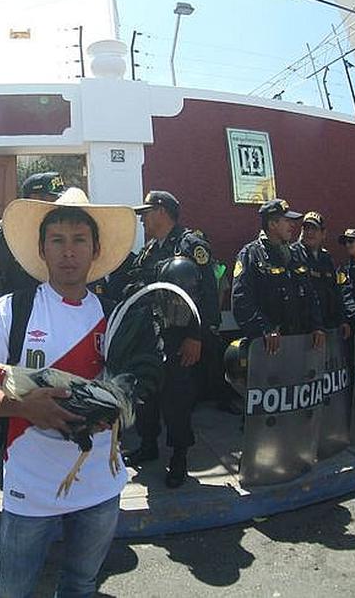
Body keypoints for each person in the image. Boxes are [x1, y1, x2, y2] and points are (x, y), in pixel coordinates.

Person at [0, 188, 136, 597]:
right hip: (30, 483)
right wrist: (23, 406)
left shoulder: (115, 316)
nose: (68, 251)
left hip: (100, 481)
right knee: (13, 589)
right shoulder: (13, 308)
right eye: (57, 240)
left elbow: (130, 391)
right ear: (42, 250)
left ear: (95, 249)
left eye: (79, 240)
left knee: (80, 585)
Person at [123, 190, 220, 488]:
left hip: (180, 338)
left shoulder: (190, 245)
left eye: (146, 214)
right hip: (149, 338)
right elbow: (137, 284)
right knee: (146, 395)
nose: (142, 220)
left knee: (177, 399)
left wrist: (195, 336)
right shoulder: (149, 250)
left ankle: (179, 456)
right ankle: (148, 445)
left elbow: (208, 295)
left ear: (162, 212)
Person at [0, 172, 65, 340]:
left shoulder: (66, 235)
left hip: (59, 330)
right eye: (52, 200)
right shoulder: (1, 234)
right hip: (13, 333)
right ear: (32, 200)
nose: (58, 206)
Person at [231, 198, 325, 351]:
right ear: (272, 224)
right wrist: (264, 329)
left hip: (300, 344)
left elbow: (310, 295)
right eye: (287, 221)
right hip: (269, 348)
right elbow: (241, 301)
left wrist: (317, 326)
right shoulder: (251, 255)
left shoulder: (295, 255)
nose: (292, 225)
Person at [292, 211, 347, 335]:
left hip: (328, 325)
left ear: (323, 233)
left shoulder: (326, 258)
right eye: (306, 228)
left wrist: (342, 319)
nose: (309, 233)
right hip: (304, 329)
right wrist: (315, 326)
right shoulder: (294, 254)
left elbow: (336, 291)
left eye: (314, 229)